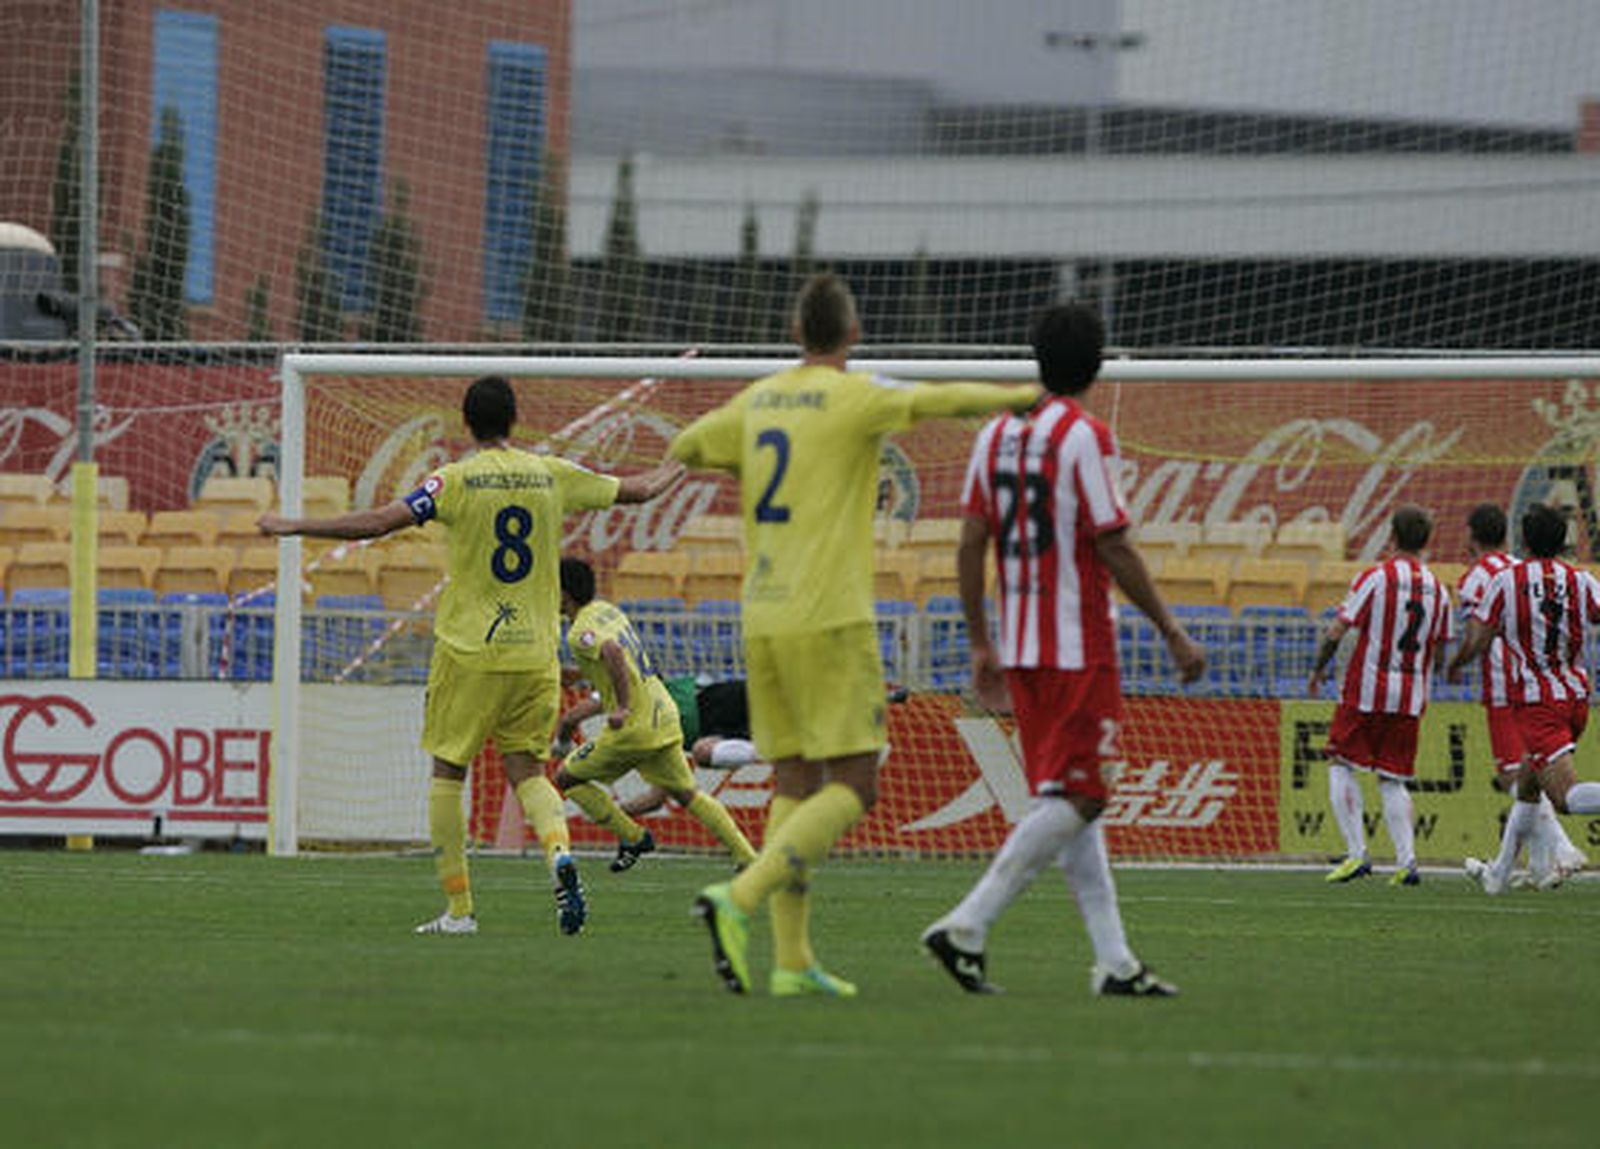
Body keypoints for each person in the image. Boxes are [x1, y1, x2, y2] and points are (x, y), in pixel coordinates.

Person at [670, 271, 1042, 997]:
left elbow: (688, 444)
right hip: (830, 618)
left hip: (764, 616)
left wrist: (749, 450)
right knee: (858, 782)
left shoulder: (759, 399)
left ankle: (791, 960)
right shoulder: (857, 395)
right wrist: (1025, 396)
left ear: (793, 333)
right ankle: (738, 897)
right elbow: (939, 400)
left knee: (794, 781)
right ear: (853, 333)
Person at [258, 375, 684, 936]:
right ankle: (559, 855)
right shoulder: (549, 472)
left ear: (466, 423)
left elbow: (379, 522)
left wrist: (294, 525)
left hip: (469, 651)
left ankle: (459, 911)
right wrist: (685, 459)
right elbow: (642, 490)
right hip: (535, 654)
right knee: (528, 771)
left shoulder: (453, 480)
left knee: (448, 771)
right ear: (514, 420)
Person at [919, 303, 1204, 998]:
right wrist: (1171, 629)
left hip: (1021, 645)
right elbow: (1112, 541)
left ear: (1037, 359)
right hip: (1077, 645)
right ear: (1097, 365)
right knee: (1084, 793)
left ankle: (1115, 961)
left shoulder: (995, 434)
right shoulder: (1086, 436)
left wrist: (980, 639)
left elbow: (970, 540)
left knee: (1067, 797)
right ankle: (967, 924)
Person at [551, 558, 756, 870]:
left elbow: (612, 652)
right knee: (688, 794)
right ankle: (746, 856)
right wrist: (578, 675)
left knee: (566, 778)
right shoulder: (607, 610)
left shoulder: (579, 632)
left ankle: (633, 837)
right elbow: (617, 658)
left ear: (565, 593)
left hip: (635, 727)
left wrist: (622, 706)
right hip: (664, 714)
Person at [1446, 501, 1600, 895]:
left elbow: (1479, 639)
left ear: (1524, 541)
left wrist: (1460, 659)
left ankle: (1553, 855)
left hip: (1537, 703)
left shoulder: (1506, 582)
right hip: (1576, 698)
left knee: (1564, 797)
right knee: (1529, 785)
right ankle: (1498, 874)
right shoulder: (1582, 580)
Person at [1308, 506, 1452, 887]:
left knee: (1340, 762)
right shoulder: (1439, 590)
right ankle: (1407, 862)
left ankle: (1357, 854)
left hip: (1366, 691)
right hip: (1410, 697)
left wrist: (1319, 668)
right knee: (1393, 779)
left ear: (1392, 537)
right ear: (1427, 541)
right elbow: (1440, 651)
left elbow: (1337, 630)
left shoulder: (1376, 578)